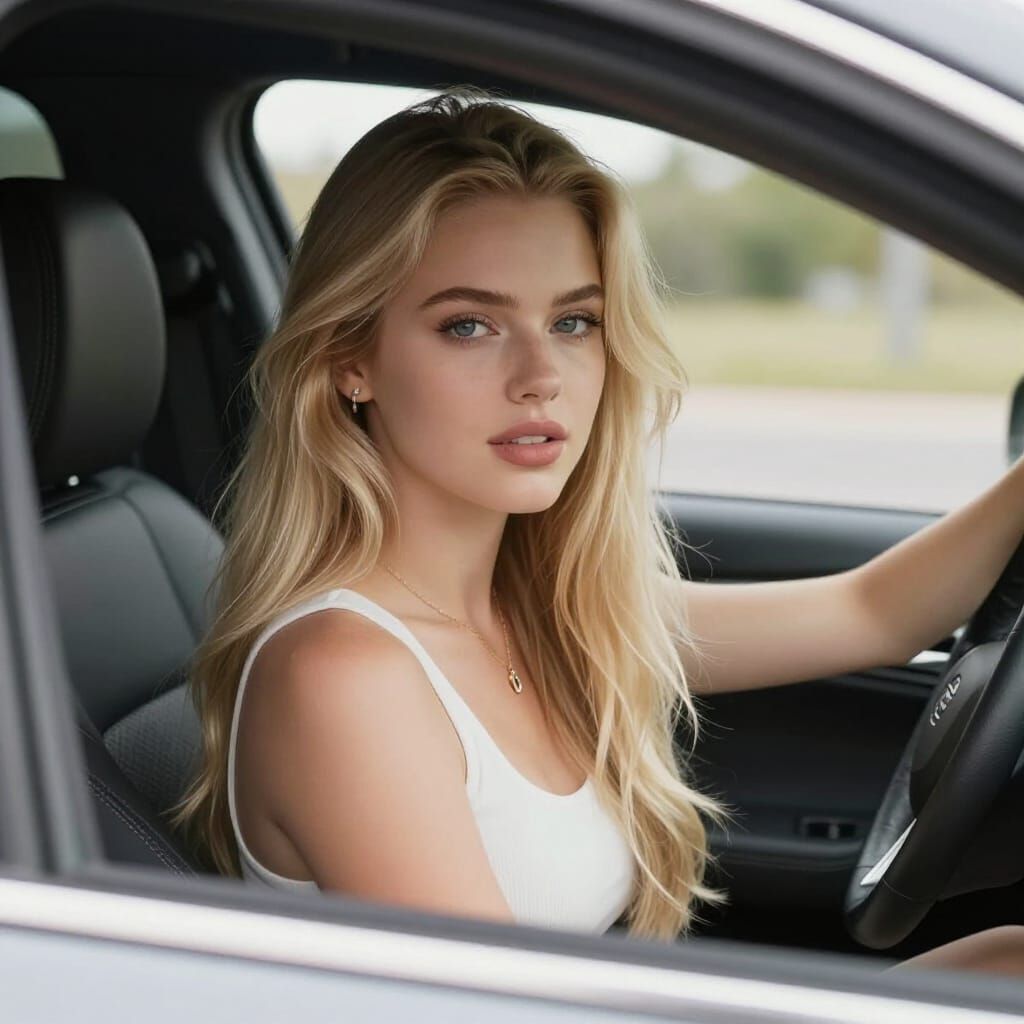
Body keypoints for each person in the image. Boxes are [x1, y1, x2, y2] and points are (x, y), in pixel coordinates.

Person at [171, 84, 1024, 971]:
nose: (542, 374)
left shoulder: (550, 609)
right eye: (469, 325)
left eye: (573, 321)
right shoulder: (344, 676)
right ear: (351, 360)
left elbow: (875, 615)